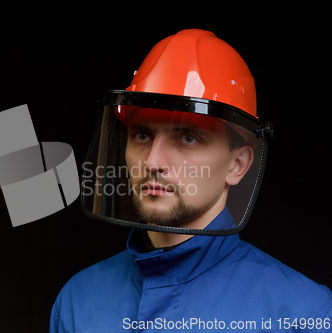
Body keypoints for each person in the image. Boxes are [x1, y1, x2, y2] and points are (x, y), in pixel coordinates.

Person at [49, 29, 332, 332]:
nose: (153, 162)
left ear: (237, 165)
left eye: (187, 137)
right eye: (142, 134)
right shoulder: (79, 301)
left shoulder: (302, 314)